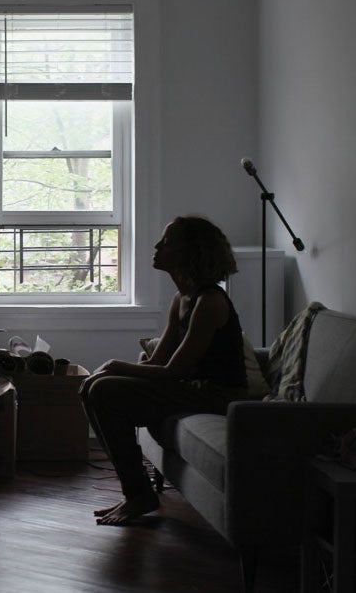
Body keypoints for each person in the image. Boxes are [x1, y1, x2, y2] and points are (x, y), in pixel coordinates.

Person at [81, 215, 248, 525]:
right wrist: (115, 371)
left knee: (103, 389)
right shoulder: (181, 299)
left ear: (190, 252)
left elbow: (172, 371)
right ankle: (137, 493)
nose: (157, 246)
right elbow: (158, 362)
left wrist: (116, 366)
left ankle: (138, 496)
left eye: (167, 242)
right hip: (190, 387)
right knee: (91, 387)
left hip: (216, 396)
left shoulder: (210, 302)